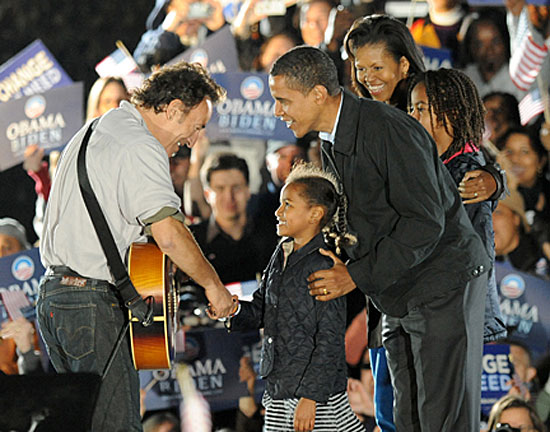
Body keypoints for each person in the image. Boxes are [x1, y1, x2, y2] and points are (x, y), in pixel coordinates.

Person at [269, 45, 490, 431]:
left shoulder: (387, 128)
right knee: (407, 420)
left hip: (441, 285)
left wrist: (354, 276)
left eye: (283, 100)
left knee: (440, 421)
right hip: (397, 290)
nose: (277, 111)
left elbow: (424, 222)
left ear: (318, 94)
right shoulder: (330, 139)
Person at [36, 61, 235, 431]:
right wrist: (213, 287)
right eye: (196, 126)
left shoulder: (97, 128)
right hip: (90, 305)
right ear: (173, 108)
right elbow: (170, 234)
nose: (193, 141)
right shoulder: (141, 146)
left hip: (55, 299)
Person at [226, 161, 365, 432]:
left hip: (315, 397)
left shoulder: (324, 265)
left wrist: (310, 397)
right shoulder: (280, 253)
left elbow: (329, 338)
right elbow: (261, 309)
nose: (278, 212)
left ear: (315, 214)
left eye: (288, 204)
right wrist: (231, 310)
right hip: (280, 388)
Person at [408, 67, 507, 344]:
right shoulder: (435, 166)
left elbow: (468, 255)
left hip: (456, 320)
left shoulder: (467, 174)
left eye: (420, 108)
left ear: (451, 113)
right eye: (410, 108)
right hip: (441, 316)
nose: (411, 116)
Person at [189, 151, 274, 284]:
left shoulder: (271, 236)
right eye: (220, 189)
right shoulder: (192, 241)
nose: (229, 197)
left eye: (236, 188)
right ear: (207, 194)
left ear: (248, 191)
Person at [493, 190, 549, 278]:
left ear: (516, 219)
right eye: (483, 215)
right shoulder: (474, 262)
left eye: (497, 212)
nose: (488, 221)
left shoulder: (541, 255)